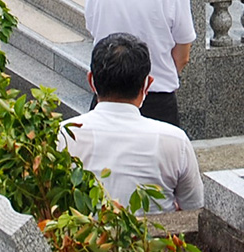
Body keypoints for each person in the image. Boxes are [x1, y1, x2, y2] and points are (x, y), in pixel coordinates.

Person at [59, 33, 203, 213]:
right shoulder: (175, 141)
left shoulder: (63, 135)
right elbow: (194, 208)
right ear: (147, 85)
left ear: (91, 81)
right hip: (154, 239)